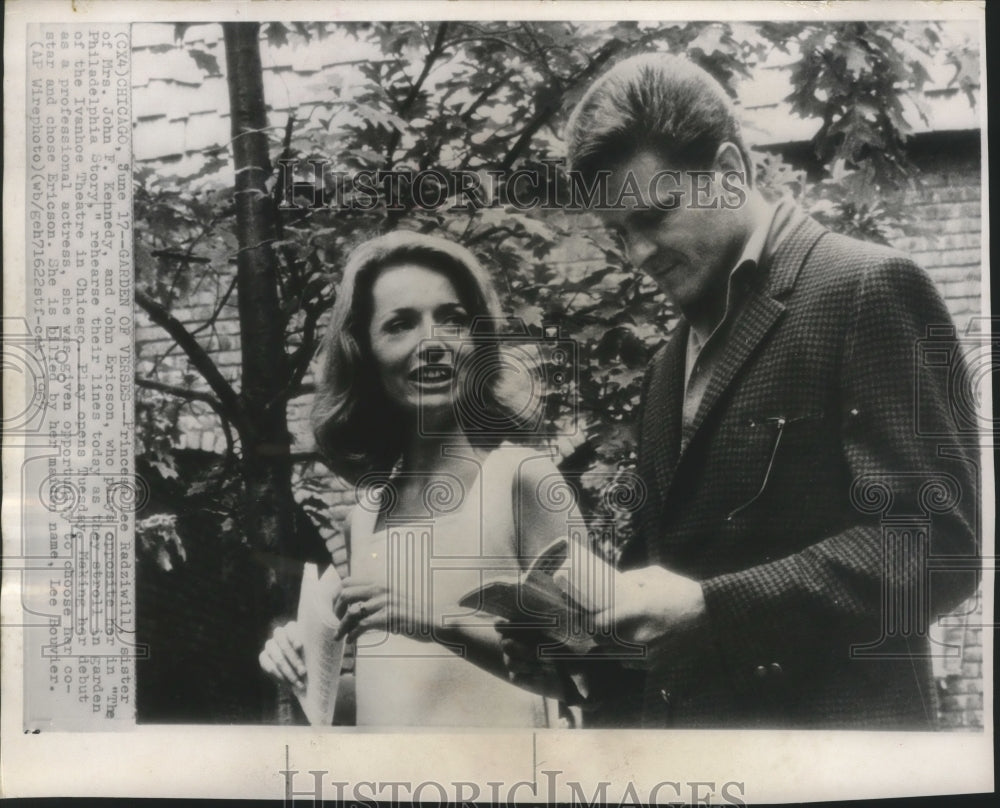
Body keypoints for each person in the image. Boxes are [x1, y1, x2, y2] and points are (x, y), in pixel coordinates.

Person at [504, 53, 979, 729]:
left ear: (728, 173)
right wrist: (586, 655)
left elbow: (939, 549)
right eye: (620, 234)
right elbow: (666, 588)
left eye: (657, 213)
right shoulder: (670, 364)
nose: (639, 254)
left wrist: (713, 610)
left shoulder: (865, 288)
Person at [259, 231, 581, 727]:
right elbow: (391, 694)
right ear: (363, 351)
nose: (431, 343)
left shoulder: (521, 478)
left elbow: (587, 663)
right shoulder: (365, 514)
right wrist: (304, 667)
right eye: (401, 325)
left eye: (451, 320)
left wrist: (433, 621)